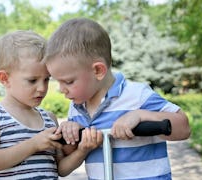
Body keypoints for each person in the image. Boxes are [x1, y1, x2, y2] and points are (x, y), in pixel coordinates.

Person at [43, 18, 191, 179]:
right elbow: (69, 155)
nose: (61, 89)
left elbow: (183, 128)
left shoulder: (136, 95)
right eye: (58, 81)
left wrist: (140, 115)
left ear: (98, 70)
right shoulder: (77, 108)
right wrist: (70, 131)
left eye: (68, 81)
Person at [0, 30, 103, 179]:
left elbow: (61, 169)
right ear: (4, 78)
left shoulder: (49, 118)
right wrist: (34, 144)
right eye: (32, 80)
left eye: (47, 79)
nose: (42, 88)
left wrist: (82, 150)